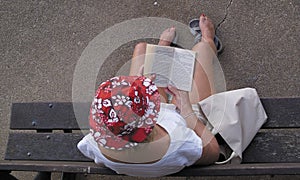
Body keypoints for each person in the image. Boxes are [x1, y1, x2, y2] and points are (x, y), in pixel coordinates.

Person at [78, 14, 221, 177]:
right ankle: (209, 41)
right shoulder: (180, 143)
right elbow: (213, 152)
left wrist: (140, 85)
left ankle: (162, 48)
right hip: (184, 118)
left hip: (154, 120)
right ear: (150, 116)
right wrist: (187, 111)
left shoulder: (93, 143)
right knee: (201, 50)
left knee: (142, 49)